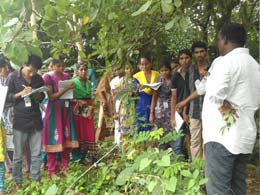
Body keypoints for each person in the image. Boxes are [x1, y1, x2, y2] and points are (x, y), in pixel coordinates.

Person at [203, 23, 260, 195]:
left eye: (219, 40)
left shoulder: (226, 62)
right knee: (237, 187)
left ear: (225, 39)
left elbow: (213, 93)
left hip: (222, 138)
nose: (218, 44)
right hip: (244, 136)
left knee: (218, 189)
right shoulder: (254, 65)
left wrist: (223, 106)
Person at [6, 55, 45, 186]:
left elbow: (41, 97)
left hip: (35, 120)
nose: (33, 73)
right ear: (24, 64)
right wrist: (20, 94)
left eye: (35, 71)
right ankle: (18, 182)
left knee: (36, 154)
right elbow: (7, 98)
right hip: (20, 121)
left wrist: (36, 94)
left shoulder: (38, 79)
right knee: (17, 156)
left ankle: (35, 181)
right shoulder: (13, 77)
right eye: (30, 70)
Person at [42, 59, 78, 177]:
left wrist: (72, 93)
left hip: (66, 109)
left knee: (67, 138)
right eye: (58, 66)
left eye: (63, 66)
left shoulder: (67, 75)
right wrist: (66, 89)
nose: (61, 68)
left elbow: (69, 95)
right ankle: (52, 170)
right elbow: (51, 97)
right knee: (52, 139)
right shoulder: (48, 77)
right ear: (53, 66)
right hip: (54, 111)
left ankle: (64, 166)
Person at [187, 41, 209, 159]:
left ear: (206, 52)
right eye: (196, 52)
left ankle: (207, 169)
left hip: (210, 110)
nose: (199, 54)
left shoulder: (213, 67)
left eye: (201, 51)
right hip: (194, 110)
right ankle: (196, 168)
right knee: (195, 141)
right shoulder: (191, 69)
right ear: (194, 55)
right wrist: (185, 111)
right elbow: (189, 90)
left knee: (207, 140)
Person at [72, 62, 95, 163]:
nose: (83, 71)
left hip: (88, 107)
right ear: (77, 71)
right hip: (77, 107)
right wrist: (78, 101)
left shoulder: (89, 83)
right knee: (78, 130)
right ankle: (77, 156)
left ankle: (86, 154)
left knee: (88, 130)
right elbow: (68, 98)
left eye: (85, 69)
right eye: (81, 69)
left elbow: (91, 96)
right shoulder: (73, 82)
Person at [170, 49, 192, 158]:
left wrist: (186, 111)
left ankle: (195, 167)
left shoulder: (194, 73)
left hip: (193, 111)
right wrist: (173, 116)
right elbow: (173, 97)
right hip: (178, 113)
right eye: (182, 58)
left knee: (194, 142)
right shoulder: (175, 77)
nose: (184, 61)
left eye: (187, 58)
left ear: (191, 59)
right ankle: (181, 167)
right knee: (178, 144)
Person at [133, 55, 160, 132]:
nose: (144, 66)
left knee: (154, 124)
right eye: (142, 64)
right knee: (142, 122)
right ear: (139, 66)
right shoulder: (136, 76)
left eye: (146, 64)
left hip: (155, 100)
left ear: (150, 64)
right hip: (142, 102)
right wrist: (137, 89)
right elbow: (135, 94)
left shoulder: (157, 74)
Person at [116, 64, 136, 139]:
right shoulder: (122, 81)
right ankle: (125, 145)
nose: (129, 71)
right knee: (124, 124)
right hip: (123, 106)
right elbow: (116, 94)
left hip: (133, 105)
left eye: (130, 68)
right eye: (127, 69)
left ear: (133, 69)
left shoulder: (135, 80)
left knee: (132, 124)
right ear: (124, 70)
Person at [95, 72, 114, 141]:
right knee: (102, 121)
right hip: (106, 101)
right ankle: (100, 139)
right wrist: (104, 100)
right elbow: (99, 90)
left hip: (116, 101)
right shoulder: (107, 75)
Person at [110, 67, 124, 144]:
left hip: (127, 102)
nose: (117, 71)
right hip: (118, 102)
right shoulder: (113, 81)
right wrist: (114, 110)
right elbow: (114, 96)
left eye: (118, 69)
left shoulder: (127, 79)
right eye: (115, 70)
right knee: (117, 122)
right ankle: (118, 142)